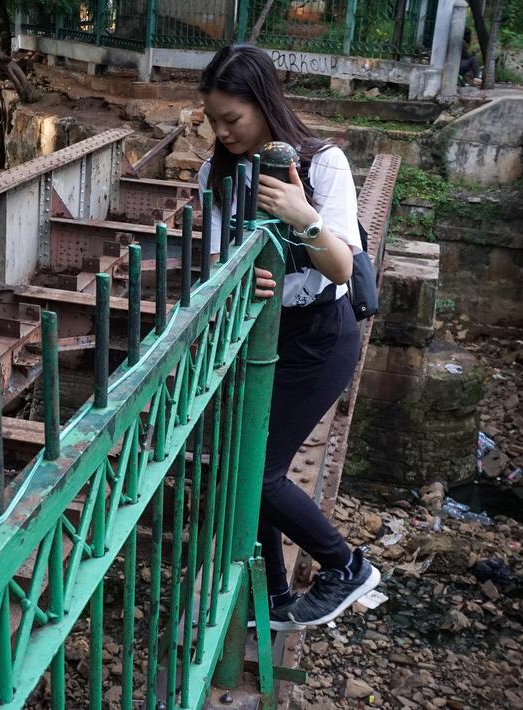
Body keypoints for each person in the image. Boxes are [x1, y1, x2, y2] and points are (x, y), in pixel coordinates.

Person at [196, 45, 382, 629]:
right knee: (243, 463)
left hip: (321, 336)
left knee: (262, 469)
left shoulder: (322, 163)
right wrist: (243, 274)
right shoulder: (216, 173)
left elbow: (342, 269)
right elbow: (216, 263)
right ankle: (274, 596)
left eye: (233, 119)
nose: (222, 132)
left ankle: (346, 566)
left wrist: (302, 215)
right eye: (213, 120)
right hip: (259, 336)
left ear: (264, 105)